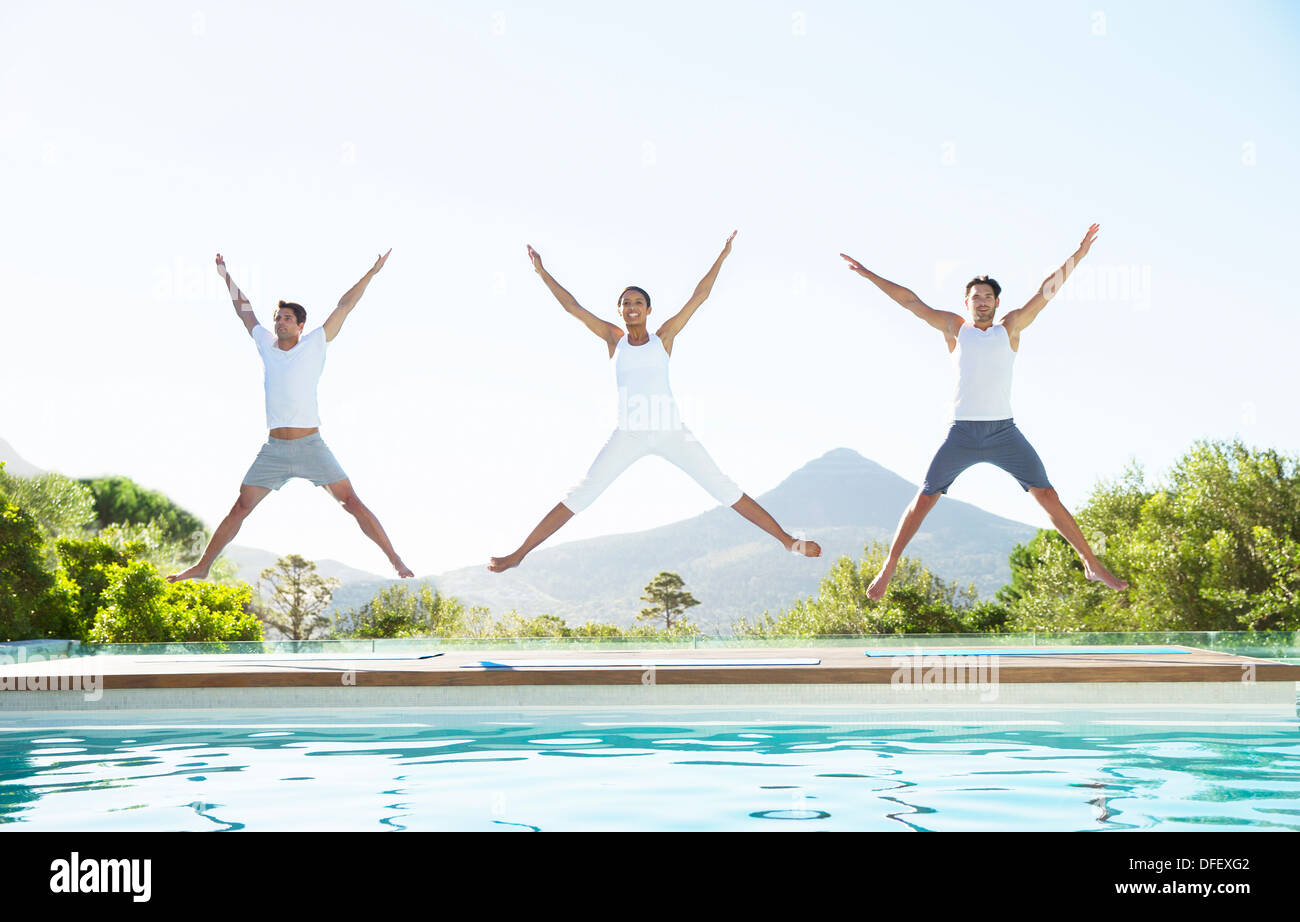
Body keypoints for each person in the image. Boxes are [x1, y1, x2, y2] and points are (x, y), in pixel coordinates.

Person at [488, 232, 821, 572]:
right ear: (619, 311)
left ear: (648, 310)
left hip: (670, 431)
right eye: (626, 303)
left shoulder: (663, 338)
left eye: (637, 303)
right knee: (580, 495)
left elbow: (699, 297)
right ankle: (519, 554)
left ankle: (786, 540)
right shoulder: (611, 338)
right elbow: (572, 306)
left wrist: (722, 256)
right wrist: (542, 273)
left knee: (723, 487)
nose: (631, 308)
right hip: (628, 434)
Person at [840, 223, 1127, 600]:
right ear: (966, 303)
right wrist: (867, 274)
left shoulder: (1010, 328)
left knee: (1047, 494)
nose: (981, 301)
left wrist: (1079, 255)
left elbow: (1047, 292)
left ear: (996, 302)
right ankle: (890, 565)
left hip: (1003, 433)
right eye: (975, 296)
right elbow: (910, 302)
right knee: (926, 496)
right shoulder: (954, 329)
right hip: (961, 433)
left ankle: (1091, 563)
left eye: (987, 296)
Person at [168, 251, 413, 582]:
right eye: (278, 318)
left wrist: (371, 272)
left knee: (351, 502)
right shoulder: (266, 346)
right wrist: (225, 276)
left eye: (286, 318)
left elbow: (345, 306)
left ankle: (396, 560)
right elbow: (245, 311)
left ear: (300, 326)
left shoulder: (315, 343)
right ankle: (202, 567)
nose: (279, 322)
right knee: (240, 507)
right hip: (275, 450)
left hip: (311, 445)